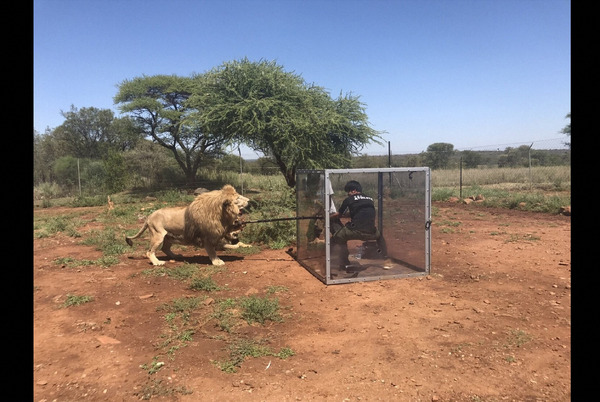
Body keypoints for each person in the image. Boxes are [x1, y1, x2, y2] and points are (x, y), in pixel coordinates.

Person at [329, 180, 390, 270]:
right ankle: (386, 259)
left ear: (353, 190)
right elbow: (361, 213)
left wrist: (328, 217)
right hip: (371, 232)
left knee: (336, 238)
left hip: (355, 231)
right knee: (379, 237)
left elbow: (339, 215)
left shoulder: (349, 200)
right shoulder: (370, 199)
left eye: (349, 191)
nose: (348, 194)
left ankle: (337, 261)